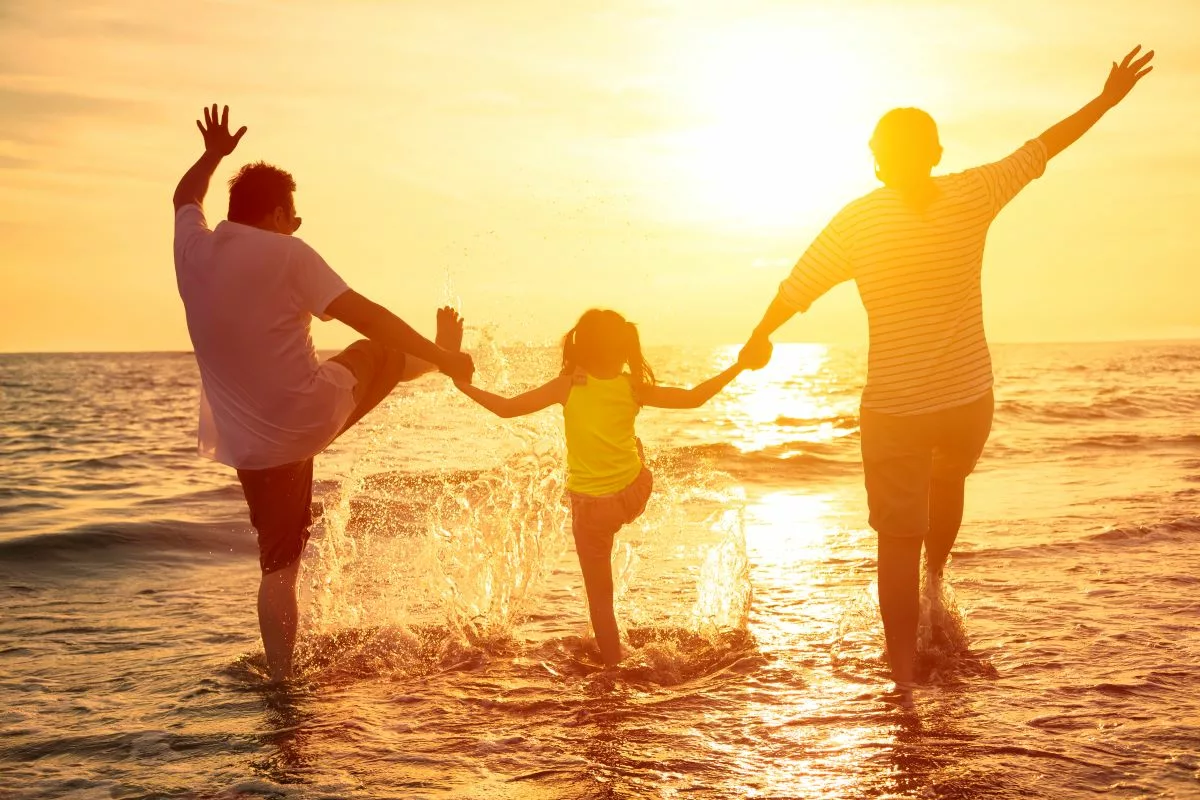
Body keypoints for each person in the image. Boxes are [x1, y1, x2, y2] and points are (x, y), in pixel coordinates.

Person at [739, 47, 1155, 692]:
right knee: (950, 472)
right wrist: (1106, 99)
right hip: (967, 400)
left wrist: (758, 339)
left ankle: (903, 681)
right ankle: (937, 581)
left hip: (894, 406)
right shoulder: (973, 190)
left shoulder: (857, 220)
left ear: (877, 157)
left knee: (895, 541)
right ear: (934, 152)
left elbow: (797, 289)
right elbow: (1043, 146)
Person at [172, 104, 475, 683]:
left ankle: (282, 683)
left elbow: (184, 197)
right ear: (279, 212)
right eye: (295, 214)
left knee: (277, 567)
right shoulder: (289, 253)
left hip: (247, 444)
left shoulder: (193, 251)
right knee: (382, 353)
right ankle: (441, 364)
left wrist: (212, 156)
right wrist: (443, 355)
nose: (299, 224)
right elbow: (371, 318)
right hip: (305, 416)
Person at [453, 309, 747, 665]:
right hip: (634, 493)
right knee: (636, 450)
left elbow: (506, 408)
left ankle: (613, 667)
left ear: (583, 348)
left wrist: (463, 385)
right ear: (623, 348)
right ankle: (634, 461)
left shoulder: (569, 385)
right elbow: (695, 397)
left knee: (601, 602)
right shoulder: (632, 387)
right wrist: (739, 365)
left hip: (591, 511)